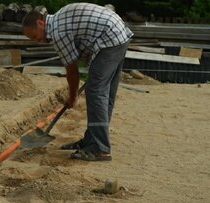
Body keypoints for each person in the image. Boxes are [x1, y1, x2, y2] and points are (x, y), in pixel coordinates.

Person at [22, 3, 133, 161]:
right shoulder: (59, 19)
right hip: (117, 34)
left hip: (110, 38)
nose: (37, 41)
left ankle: (100, 148)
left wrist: (73, 96)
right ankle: (92, 140)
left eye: (35, 36)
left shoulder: (57, 32)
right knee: (103, 94)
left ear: (40, 23)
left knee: (96, 91)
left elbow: (72, 70)